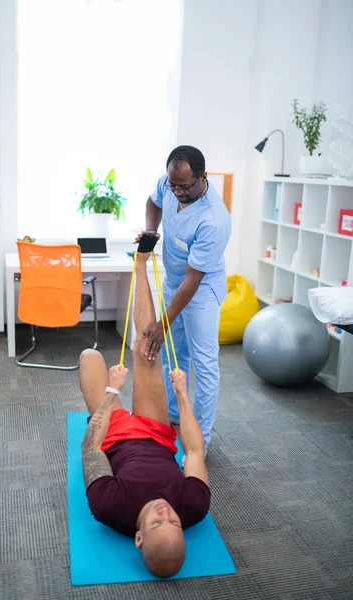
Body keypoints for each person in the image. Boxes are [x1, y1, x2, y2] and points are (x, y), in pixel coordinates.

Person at [80, 250, 210, 579]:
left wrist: (113, 392)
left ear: (139, 537)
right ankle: (139, 263)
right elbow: (194, 451)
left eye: (156, 523)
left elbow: (90, 449)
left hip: (115, 436)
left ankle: (104, 381)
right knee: (147, 345)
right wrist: (181, 396)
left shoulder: (109, 507)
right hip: (156, 432)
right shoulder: (194, 506)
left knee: (89, 357)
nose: (166, 513)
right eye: (174, 522)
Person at [135, 145, 231, 453]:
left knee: (203, 363)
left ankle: (199, 438)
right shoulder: (171, 183)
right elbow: (153, 201)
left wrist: (162, 322)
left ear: (203, 177)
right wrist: (152, 231)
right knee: (174, 355)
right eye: (173, 185)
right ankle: (173, 416)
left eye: (184, 187)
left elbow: (194, 279)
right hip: (174, 279)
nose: (176, 192)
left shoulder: (214, 220)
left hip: (201, 288)